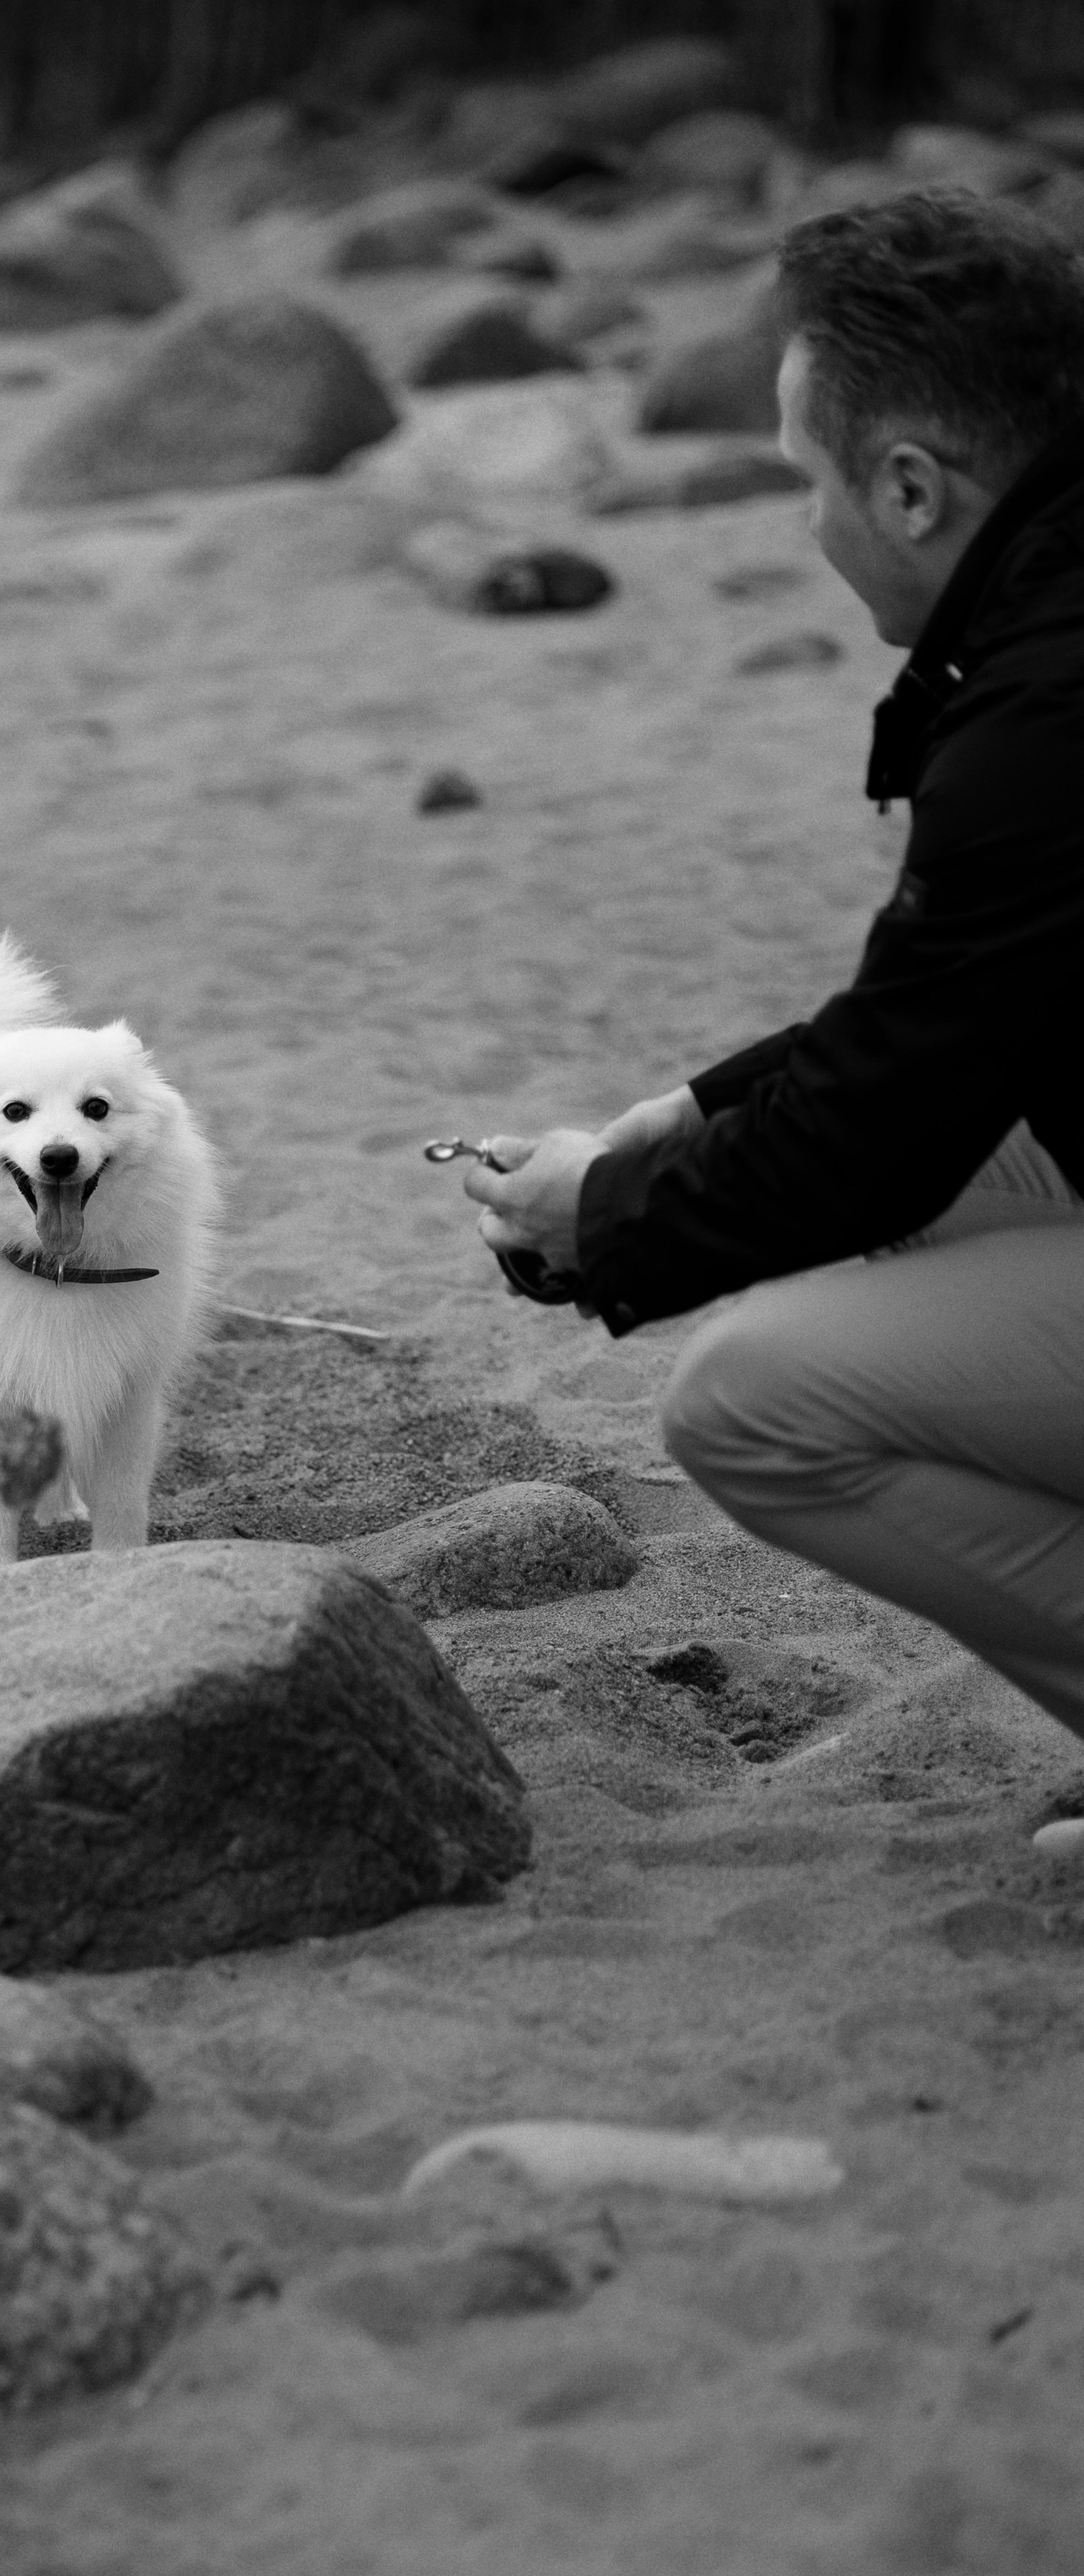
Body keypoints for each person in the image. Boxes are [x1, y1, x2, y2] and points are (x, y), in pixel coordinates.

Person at [463, 193, 1084, 1754]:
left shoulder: (1046, 717)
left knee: (750, 1399)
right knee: (890, 1216)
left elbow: (883, 1118)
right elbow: (970, 1008)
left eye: (805, 481)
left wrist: (596, 1219)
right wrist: (694, 1111)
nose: (804, 526)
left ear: (908, 486)